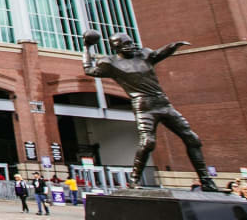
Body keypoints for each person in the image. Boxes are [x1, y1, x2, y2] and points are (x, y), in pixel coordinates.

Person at [82, 31, 217, 191]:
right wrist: (87, 47)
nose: (130, 46)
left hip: (163, 103)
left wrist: (173, 46)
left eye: (130, 42)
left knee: (192, 139)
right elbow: (89, 70)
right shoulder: (110, 63)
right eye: (125, 44)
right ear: (115, 47)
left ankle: (206, 180)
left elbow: (160, 53)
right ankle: (134, 180)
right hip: (143, 106)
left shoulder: (144, 55)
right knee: (148, 143)